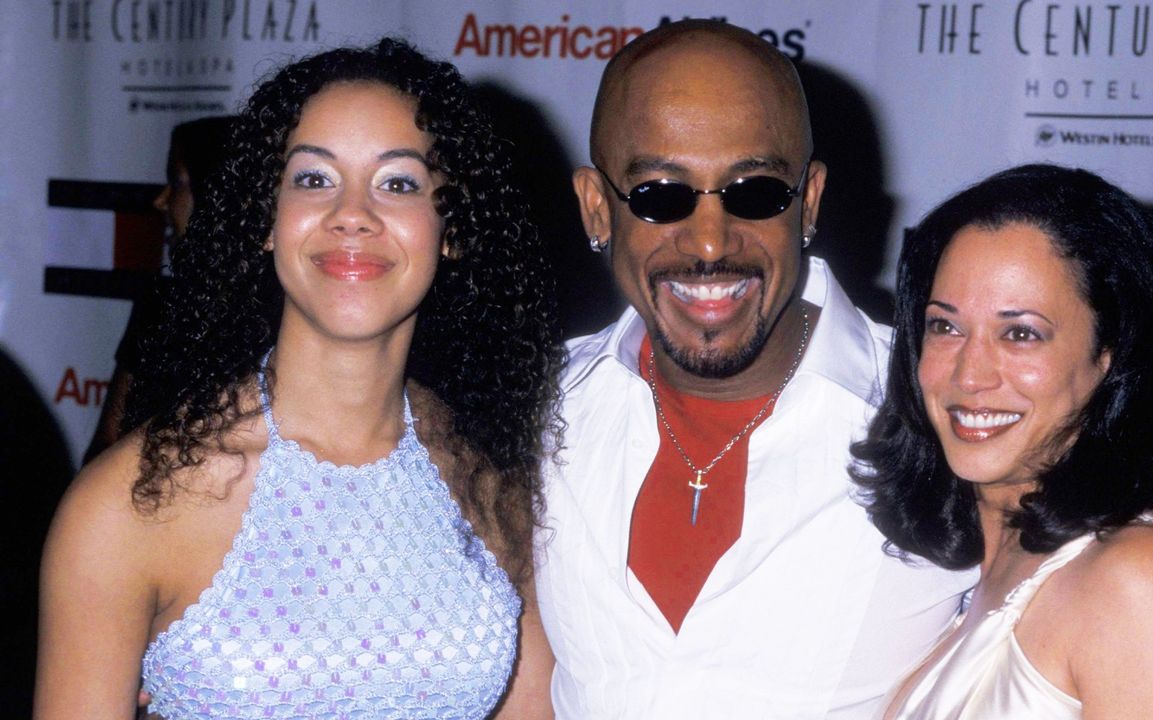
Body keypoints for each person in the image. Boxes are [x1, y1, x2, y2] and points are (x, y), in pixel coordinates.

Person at [36, 38, 559, 720]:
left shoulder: (494, 480)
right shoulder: (130, 504)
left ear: (452, 228)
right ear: (266, 220)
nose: (352, 214)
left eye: (398, 183)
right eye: (313, 179)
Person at [535, 19, 974, 718]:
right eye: (660, 194)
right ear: (597, 209)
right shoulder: (534, 416)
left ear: (809, 203)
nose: (710, 241)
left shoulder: (952, 414)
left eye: (754, 191)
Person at [853, 164, 1153, 718]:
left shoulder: (1137, 580)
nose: (970, 374)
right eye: (945, 327)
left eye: (1021, 333)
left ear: (1110, 354)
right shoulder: (982, 580)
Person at [84, 115, 235, 463]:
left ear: (214, 191)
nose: (161, 200)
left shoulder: (287, 311)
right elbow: (105, 446)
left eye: (176, 182)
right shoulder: (162, 304)